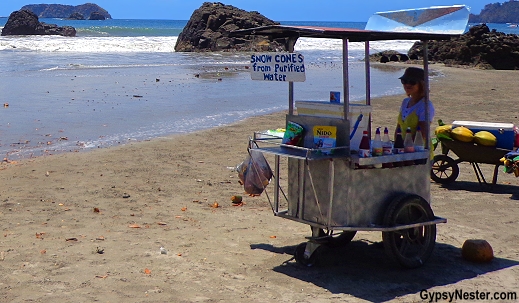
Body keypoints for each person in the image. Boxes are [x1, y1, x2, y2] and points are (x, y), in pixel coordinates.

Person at [395, 67, 435, 158]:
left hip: (419, 153)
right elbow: (399, 127)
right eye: (404, 81)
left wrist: (406, 149)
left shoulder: (425, 105)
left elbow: (421, 134)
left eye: (412, 82)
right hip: (404, 152)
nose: (407, 84)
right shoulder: (405, 102)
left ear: (421, 84)